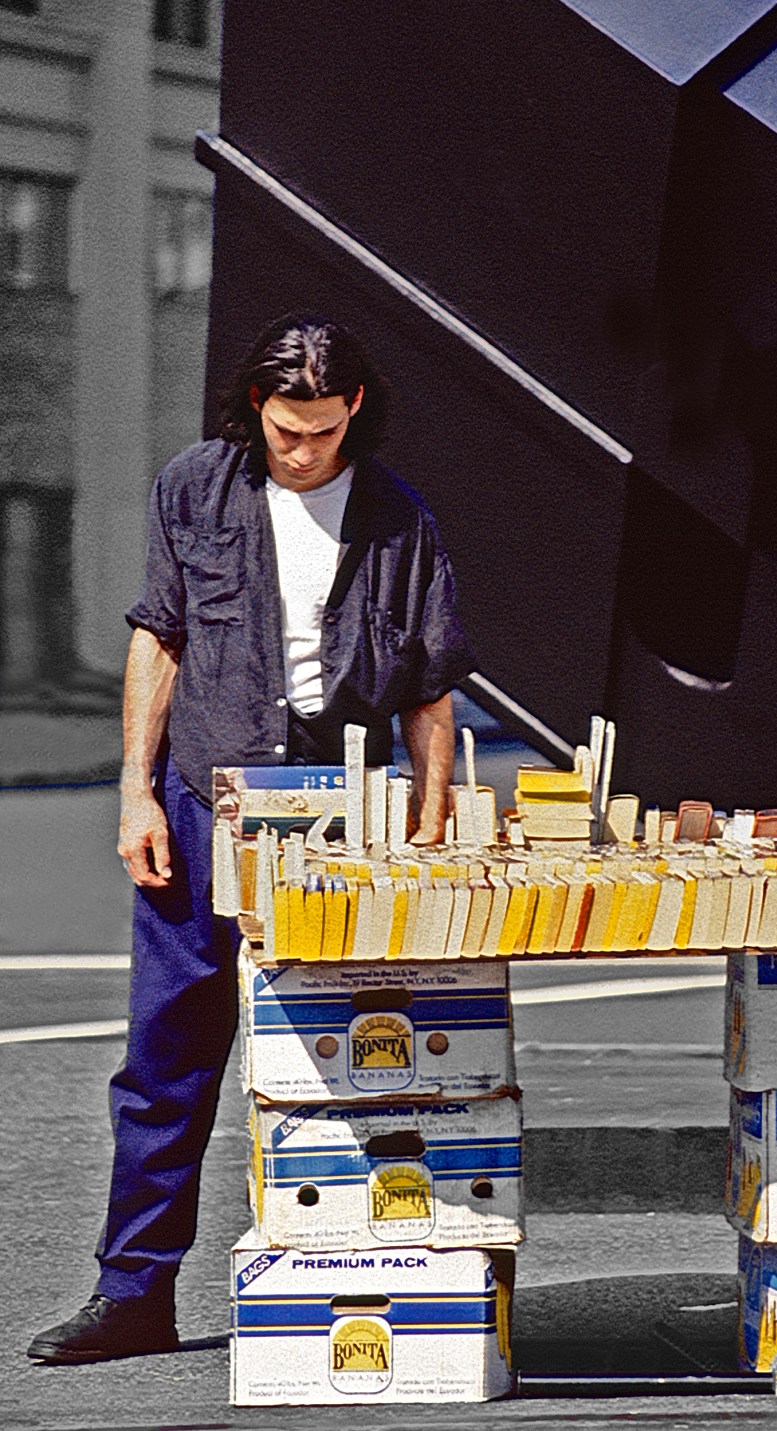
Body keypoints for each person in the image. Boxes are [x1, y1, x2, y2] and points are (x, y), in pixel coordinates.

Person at [27, 313, 476, 1364]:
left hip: (338, 809)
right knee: (168, 1050)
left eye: (321, 430)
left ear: (353, 408)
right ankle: (133, 1293)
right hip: (201, 795)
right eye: (285, 430)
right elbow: (159, 634)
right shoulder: (196, 485)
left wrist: (427, 813)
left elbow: (429, 687)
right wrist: (134, 792)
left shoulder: (398, 518)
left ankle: (361, 1280)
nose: (302, 450)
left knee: (350, 1051)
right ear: (256, 411)